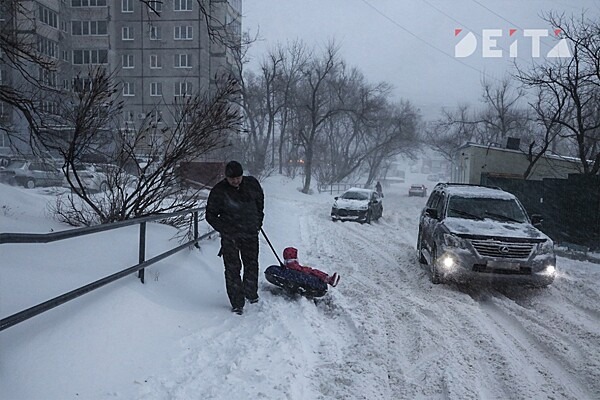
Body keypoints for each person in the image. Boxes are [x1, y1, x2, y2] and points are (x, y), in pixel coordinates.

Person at [206, 161, 264, 315]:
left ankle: (251, 293)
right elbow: (210, 215)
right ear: (226, 177)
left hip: (250, 233)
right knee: (232, 269)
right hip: (230, 237)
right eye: (232, 179)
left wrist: (258, 221)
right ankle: (237, 302)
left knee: (251, 264)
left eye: (238, 178)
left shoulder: (252, 184)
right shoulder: (219, 191)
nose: (236, 181)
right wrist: (225, 229)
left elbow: (260, 202)